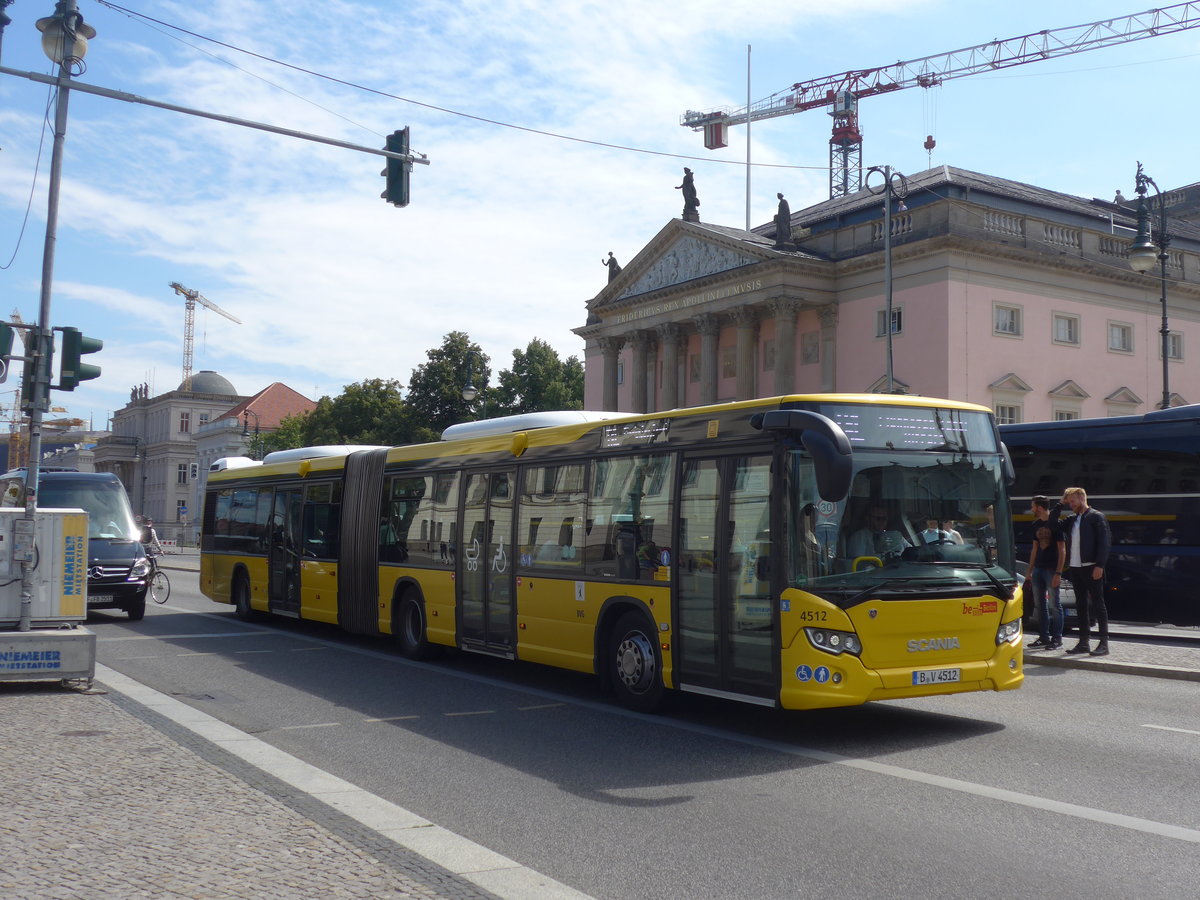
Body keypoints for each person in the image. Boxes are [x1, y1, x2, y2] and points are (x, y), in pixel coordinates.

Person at [1057, 486, 1111, 656]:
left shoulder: (1096, 517)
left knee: (1098, 604)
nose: (1070, 505)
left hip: (1091, 566)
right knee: (1081, 605)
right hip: (1075, 567)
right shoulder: (1072, 519)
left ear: (1081, 498)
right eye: (1068, 502)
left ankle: (1103, 643)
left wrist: (1100, 565)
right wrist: (1059, 504)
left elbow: (1104, 543)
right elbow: (1052, 525)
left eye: (1072, 501)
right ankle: (1083, 642)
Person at [1026, 496, 1066, 650]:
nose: (1031, 509)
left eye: (1033, 506)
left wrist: (1058, 572)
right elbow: (1034, 549)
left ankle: (1057, 638)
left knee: (1055, 605)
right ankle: (1043, 637)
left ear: (1039, 507)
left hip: (1051, 569)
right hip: (1038, 569)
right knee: (1040, 605)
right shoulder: (1035, 524)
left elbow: (1062, 549)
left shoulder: (1056, 523)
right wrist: (1029, 571)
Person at [847, 505, 912, 562]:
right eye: (878, 518)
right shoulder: (860, 536)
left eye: (884, 518)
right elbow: (858, 562)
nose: (882, 522)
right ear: (868, 518)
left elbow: (911, 551)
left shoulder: (894, 535)